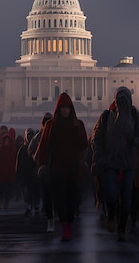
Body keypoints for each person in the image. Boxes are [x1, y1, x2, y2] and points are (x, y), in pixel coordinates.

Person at [91, 87, 139, 241]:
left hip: (128, 164)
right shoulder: (107, 116)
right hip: (111, 162)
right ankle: (111, 214)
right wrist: (100, 156)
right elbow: (96, 137)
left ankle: (122, 226)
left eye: (124, 99)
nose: (122, 102)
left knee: (127, 198)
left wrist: (132, 141)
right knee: (111, 193)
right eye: (119, 99)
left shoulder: (134, 116)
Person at [35, 93, 88, 241]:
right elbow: (44, 147)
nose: (65, 111)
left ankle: (68, 225)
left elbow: (83, 144)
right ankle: (65, 226)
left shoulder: (78, 124)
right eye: (63, 108)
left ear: (71, 109)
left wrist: (78, 129)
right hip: (56, 168)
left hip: (72, 168)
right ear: (58, 109)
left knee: (71, 199)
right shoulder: (50, 125)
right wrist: (43, 164)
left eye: (67, 108)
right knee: (59, 199)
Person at [30, 112, 53, 230]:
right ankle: (50, 213)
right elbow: (31, 149)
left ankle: (51, 212)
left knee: (49, 192)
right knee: (47, 192)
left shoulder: (42, 135)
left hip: (51, 168)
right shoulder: (39, 136)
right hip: (44, 168)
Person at [16, 128, 38, 216]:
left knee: (34, 191)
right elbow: (19, 162)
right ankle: (30, 206)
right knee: (28, 192)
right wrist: (18, 174)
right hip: (27, 174)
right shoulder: (23, 149)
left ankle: (35, 205)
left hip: (33, 173)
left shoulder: (34, 147)